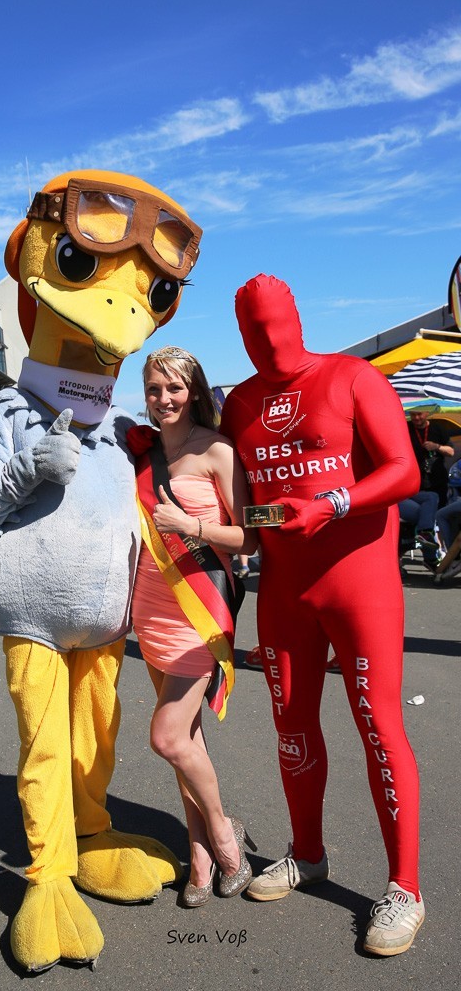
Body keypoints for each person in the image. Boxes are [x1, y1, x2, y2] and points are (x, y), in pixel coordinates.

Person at [220, 275, 424, 957]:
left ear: (297, 318)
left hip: (359, 585)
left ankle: (405, 888)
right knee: (292, 728)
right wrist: (150, 453)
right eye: (252, 330)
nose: (266, 338)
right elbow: (230, 486)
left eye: (275, 323)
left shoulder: (352, 377)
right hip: (285, 592)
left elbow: (404, 471)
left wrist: (331, 504)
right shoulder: (240, 403)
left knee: (379, 726)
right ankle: (307, 854)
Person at [128, 346, 257, 907]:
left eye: (174, 388)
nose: (164, 399)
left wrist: (190, 525)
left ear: (195, 390)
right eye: (154, 389)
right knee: (187, 741)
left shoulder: (217, 450)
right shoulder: (141, 452)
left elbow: (250, 537)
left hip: (198, 614)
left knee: (166, 737)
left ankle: (225, 836)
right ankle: (199, 854)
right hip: (150, 612)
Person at [407, 408, 454, 507]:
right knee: (419, 511)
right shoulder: (406, 428)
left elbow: (451, 452)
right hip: (416, 482)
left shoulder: (437, 428)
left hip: (438, 480)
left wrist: (436, 446)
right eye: (413, 415)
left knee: (440, 509)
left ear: (427, 413)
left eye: (419, 414)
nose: (416, 418)